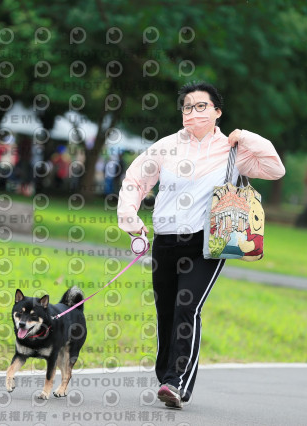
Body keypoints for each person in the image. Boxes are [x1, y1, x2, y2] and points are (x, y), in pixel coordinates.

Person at [117, 81, 285, 409]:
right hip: (165, 241)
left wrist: (246, 137)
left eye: (201, 106)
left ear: (217, 111)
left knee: (187, 306)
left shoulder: (234, 151)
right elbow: (135, 180)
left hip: (207, 243)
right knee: (166, 311)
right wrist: (129, 217)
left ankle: (176, 382)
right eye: (187, 107)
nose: (193, 112)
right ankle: (166, 376)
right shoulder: (166, 147)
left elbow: (275, 168)